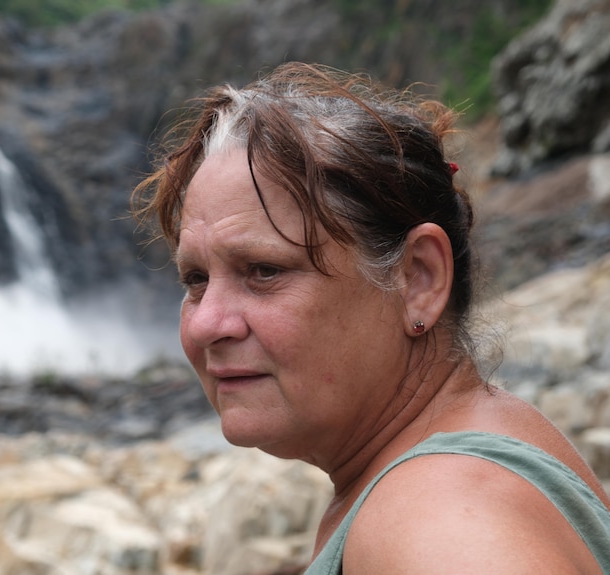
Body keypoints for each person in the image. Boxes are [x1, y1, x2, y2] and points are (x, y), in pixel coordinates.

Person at [132, 61, 610, 573]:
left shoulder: (438, 515)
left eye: (264, 270)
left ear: (419, 279)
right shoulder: (460, 464)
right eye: (196, 280)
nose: (206, 325)